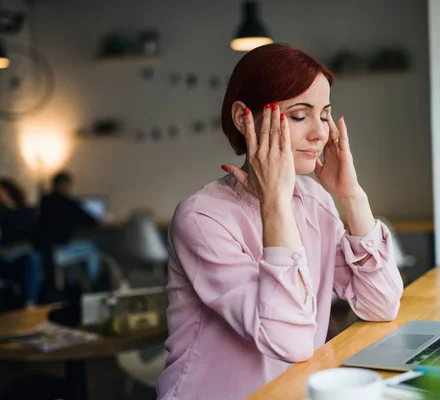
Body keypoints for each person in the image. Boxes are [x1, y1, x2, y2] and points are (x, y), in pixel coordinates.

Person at [156, 44, 404, 400]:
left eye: (324, 114)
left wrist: (351, 196)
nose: (319, 133)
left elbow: (381, 304)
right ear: (244, 118)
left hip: (290, 392)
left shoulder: (314, 199)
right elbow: (290, 342)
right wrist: (275, 203)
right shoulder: (201, 218)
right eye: (300, 116)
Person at [37, 171, 100, 288]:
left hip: (46, 249)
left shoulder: (44, 201)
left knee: (74, 244)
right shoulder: (69, 203)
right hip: (59, 249)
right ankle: (93, 285)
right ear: (65, 185)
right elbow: (92, 221)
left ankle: (71, 283)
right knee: (91, 248)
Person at [0, 178, 43, 307]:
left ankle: (30, 303)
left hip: (21, 250)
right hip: (6, 253)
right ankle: (31, 301)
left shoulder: (25, 212)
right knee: (33, 257)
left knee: (34, 257)